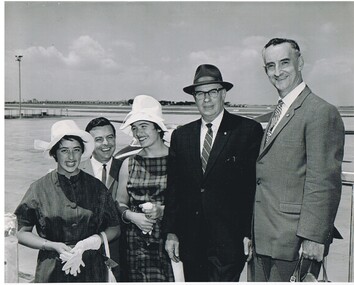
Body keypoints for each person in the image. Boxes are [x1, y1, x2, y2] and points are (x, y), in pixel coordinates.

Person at [249, 38, 345, 282]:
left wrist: (314, 236)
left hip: (294, 242)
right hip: (263, 239)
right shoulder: (278, 113)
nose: (278, 72)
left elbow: (323, 180)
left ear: (300, 62)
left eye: (284, 63)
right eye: (270, 66)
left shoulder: (321, 112)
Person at [162, 64, 264, 282]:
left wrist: (249, 232)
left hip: (229, 242)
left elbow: (252, 188)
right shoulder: (181, 136)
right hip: (191, 243)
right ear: (194, 98)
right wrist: (171, 232)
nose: (206, 99)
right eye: (200, 93)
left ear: (224, 94)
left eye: (212, 92)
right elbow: (174, 189)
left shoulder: (247, 131)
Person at [15, 120, 120, 282]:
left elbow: (114, 228)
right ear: (54, 153)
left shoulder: (97, 188)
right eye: (64, 150)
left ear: (82, 152)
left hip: (92, 270)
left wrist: (94, 241)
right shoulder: (38, 188)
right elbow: (21, 233)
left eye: (76, 150)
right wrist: (50, 245)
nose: (71, 157)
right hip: (51, 271)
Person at [116, 95, 174, 282]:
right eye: (134, 127)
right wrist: (132, 216)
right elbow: (120, 202)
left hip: (170, 241)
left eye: (143, 126)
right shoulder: (129, 164)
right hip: (136, 244)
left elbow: (191, 204)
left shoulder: (177, 160)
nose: (138, 132)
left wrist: (163, 211)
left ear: (158, 128)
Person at [80, 116, 123, 280]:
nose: (106, 143)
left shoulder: (127, 167)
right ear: (89, 144)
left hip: (120, 255)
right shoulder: (77, 171)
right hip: (86, 256)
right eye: (99, 139)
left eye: (110, 137)